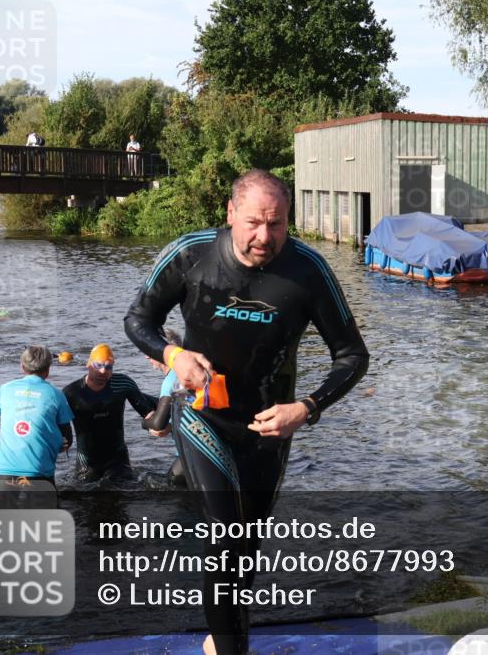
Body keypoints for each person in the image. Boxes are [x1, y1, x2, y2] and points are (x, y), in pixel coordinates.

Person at [124, 169, 369, 655]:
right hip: (202, 416)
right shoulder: (192, 255)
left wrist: (307, 408)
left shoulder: (308, 271)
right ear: (231, 214)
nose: (264, 237)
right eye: (254, 222)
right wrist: (175, 356)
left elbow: (353, 355)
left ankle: (224, 640)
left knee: (245, 551)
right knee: (222, 539)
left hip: (269, 428)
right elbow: (139, 320)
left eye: (276, 225)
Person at [62, 343, 157, 483]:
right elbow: (60, 425)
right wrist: (62, 441)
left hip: (118, 458)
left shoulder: (123, 384)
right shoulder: (72, 392)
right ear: (88, 365)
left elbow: (147, 412)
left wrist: (158, 423)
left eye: (108, 367)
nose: (103, 371)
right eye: (98, 365)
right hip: (87, 461)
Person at [0, 346, 74, 491]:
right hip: (39, 473)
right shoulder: (56, 394)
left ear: (22, 367)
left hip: (2, 472)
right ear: (48, 370)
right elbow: (68, 439)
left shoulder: (4, 389)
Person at [139, 328, 187, 486]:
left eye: (150, 351)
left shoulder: (171, 379)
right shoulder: (187, 371)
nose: (146, 356)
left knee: (169, 483)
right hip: (203, 446)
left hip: (190, 453)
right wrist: (171, 425)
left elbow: (158, 425)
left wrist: (145, 423)